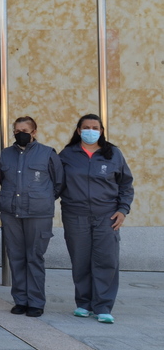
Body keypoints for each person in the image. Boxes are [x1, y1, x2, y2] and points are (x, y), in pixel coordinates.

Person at [59, 114, 134, 324]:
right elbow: (56, 183)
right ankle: (83, 303)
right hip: (75, 215)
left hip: (107, 215)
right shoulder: (67, 155)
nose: (91, 131)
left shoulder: (113, 154)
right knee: (80, 260)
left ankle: (103, 306)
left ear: (101, 131)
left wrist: (123, 210)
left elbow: (126, 184)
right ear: (78, 130)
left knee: (106, 260)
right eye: (86, 127)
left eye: (95, 127)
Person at [0, 116, 63, 318]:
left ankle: (35, 302)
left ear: (34, 132)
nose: (20, 134)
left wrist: (41, 200)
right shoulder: (6, 154)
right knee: (16, 257)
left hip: (38, 214)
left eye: (24, 130)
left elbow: (59, 183)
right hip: (12, 213)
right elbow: (3, 179)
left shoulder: (47, 153)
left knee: (34, 257)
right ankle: (21, 300)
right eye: (16, 131)